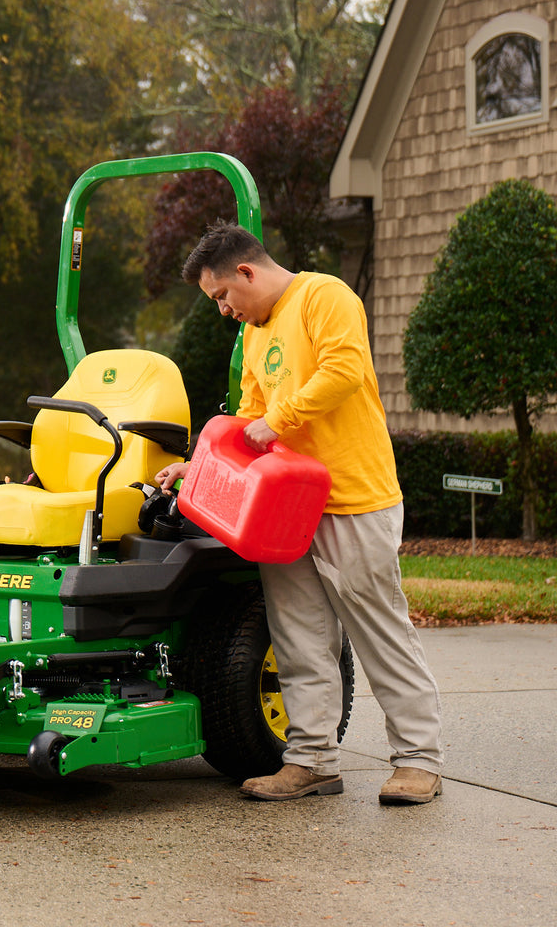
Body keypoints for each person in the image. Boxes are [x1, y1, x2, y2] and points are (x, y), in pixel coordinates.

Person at [157, 219, 443, 805]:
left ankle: (419, 761)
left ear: (246, 271)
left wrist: (276, 423)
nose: (223, 311)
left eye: (222, 297)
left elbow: (342, 371)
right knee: (298, 638)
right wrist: (199, 466)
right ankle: (311, 760)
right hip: (284, 511)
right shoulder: (256, 335)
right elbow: (247, 418)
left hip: (352, 499)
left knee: (378, 631)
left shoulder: (325, 296)